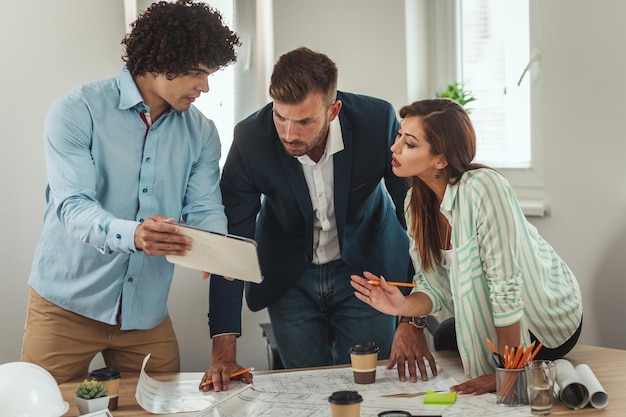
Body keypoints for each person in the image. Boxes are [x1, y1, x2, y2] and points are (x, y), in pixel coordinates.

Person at [21, 0, 249, 391]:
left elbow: (205, 205)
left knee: (160, 408)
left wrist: (216, 246)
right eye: (197, 72)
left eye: (209, 74)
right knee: (44, 406)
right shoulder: (77, 111)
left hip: (146, 313)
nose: (205, 86)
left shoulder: (202, 133)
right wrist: (134, 235)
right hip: (65, 306)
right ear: (161, 60)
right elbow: (72, 206)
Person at [350, 98, 583, 394]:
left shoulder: (484, 188)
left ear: (440, 159)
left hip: (545, 324)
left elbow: (506, 288)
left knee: (454, 342)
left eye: (409, 144)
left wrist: (508, 374)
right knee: (447, 336)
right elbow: (432, 285)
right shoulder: (414, 205)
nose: (395, 148)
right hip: (503, 318)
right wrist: (403, 305)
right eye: (398, 137)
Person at [209, 47, 413, 370]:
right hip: (289, 277)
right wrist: (223, 354)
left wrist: (412, 320)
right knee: (304, 387)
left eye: (304, 121)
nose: (288, 134)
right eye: (280, 116)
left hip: (366, 272)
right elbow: (231, 242)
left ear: (333, 110)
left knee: (370, 382)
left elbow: (415, 220)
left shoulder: (378, 123)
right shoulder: (250, 140)